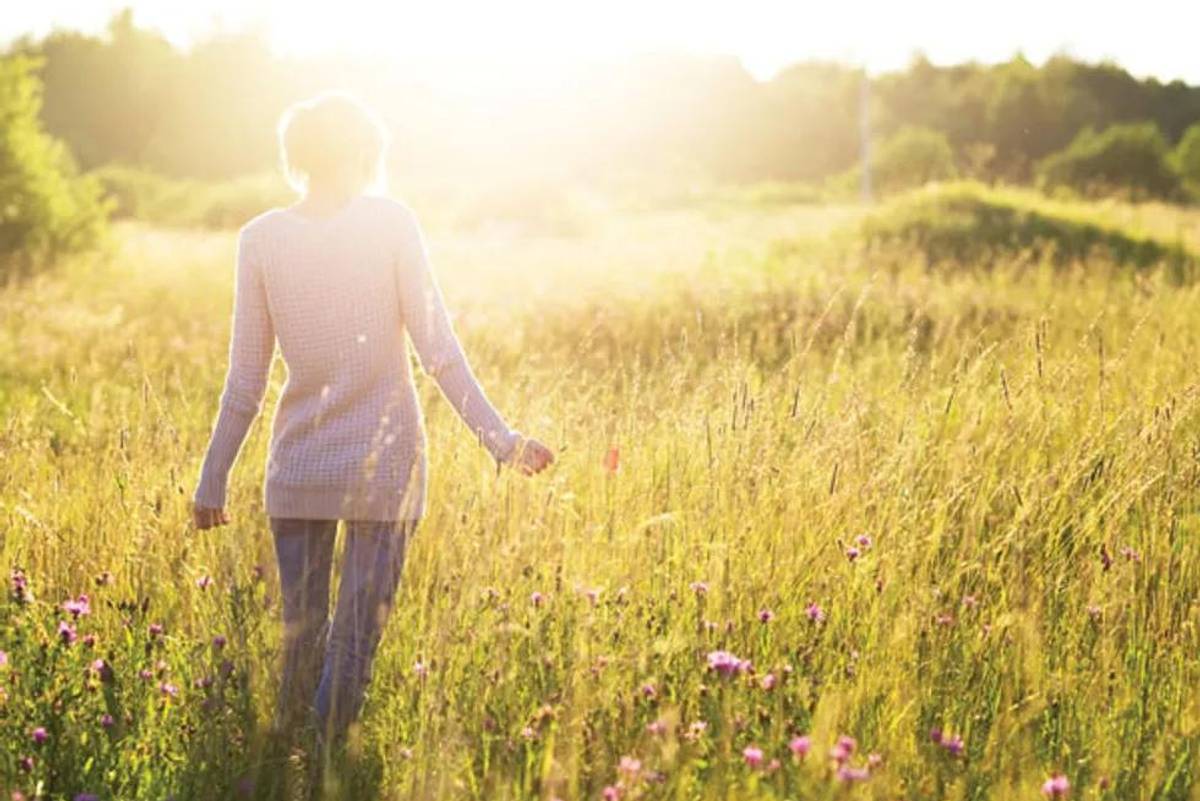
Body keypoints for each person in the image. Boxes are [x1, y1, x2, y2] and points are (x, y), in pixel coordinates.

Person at [191, 92, 554, 750]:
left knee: (302, 644)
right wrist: (501, 441)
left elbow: (246, 380)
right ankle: (326, 768)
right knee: (353, 643)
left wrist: (213, 477)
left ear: (297, 156)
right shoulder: (390, 224)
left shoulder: (261, 238)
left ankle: (287, 769)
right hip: (385, 471)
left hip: (298, 468)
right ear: (364, 151)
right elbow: (439, 352)